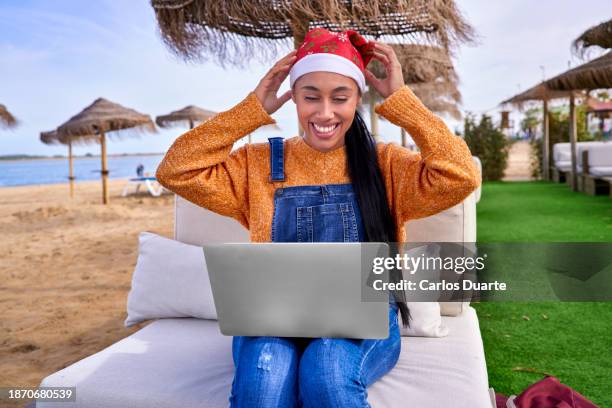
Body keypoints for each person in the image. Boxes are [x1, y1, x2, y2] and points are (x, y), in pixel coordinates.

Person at [156, 27, 480, 408]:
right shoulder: (257, 163)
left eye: (340, 98)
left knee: (326, 370)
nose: (325, 113)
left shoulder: (387, 165)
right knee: (264, 380)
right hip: (272, 315)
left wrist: (400, 99)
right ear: (293, 97)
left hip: (365, 319)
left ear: (358, 97)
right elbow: (175, 169)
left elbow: (462, 175)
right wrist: (252, 109)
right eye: (311, 97)